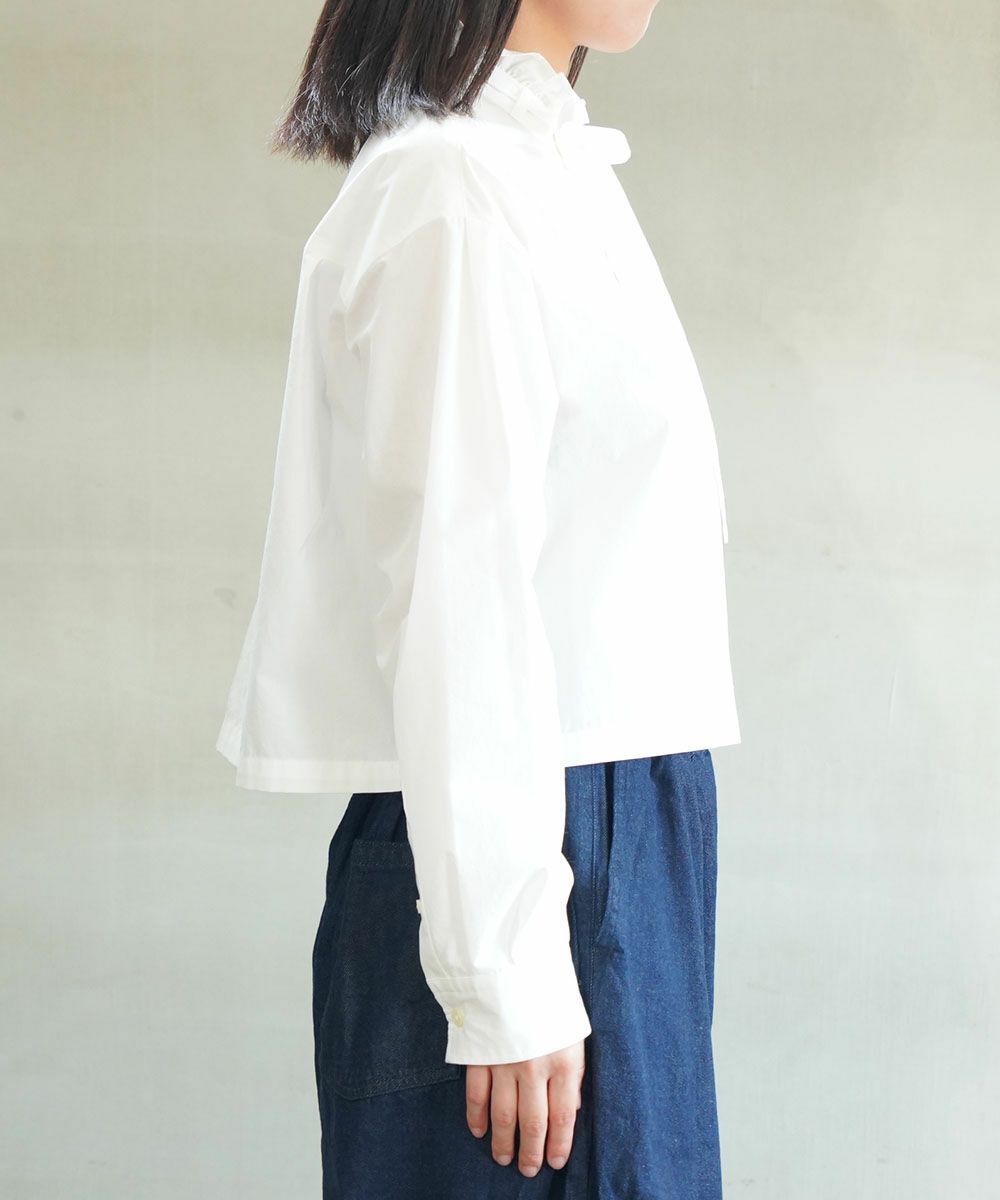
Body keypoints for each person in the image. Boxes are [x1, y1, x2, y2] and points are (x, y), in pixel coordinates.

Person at [215, 1, 741, 1195]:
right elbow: (456, 583)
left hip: (604, 826)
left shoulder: (538, 171)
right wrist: (502, 974)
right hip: (538, 842)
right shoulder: (453, 188)